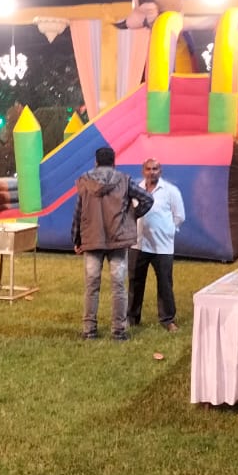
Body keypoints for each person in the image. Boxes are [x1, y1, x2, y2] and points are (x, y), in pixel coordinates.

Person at [72, 146, 153, 341]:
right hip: (118, 239)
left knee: (92, 286)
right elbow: (147, 199)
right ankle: (118, 330)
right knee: (118, 286)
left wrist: (76, 239)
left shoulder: (84, 181)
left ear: (96, 162)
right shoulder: (124, 180)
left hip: (92, 239)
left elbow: (79, 211)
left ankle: (89, 330)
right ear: (114, 162)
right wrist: (132, 216)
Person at [128, 158, 186, 332]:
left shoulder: (170, 191)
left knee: (165, 284)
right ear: (143, 171)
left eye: (155, 169)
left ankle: (168, 319)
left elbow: (179, 216)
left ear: (160, 171)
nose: (151, 172)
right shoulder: (135, 189)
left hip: (163, 246)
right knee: (135, 282)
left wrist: (169, 231)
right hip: (138, 244)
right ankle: (132, 318)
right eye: (148, 169)